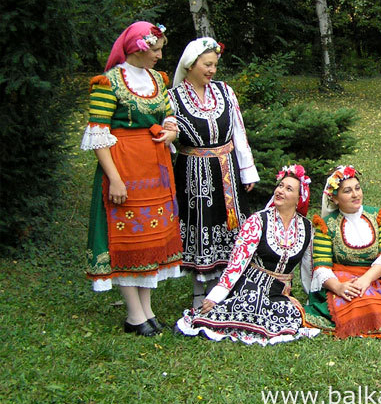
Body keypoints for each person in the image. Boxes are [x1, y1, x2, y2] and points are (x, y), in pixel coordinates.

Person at [80, 21, 182, 336]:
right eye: (156, 49)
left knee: (151, 238)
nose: (160, 56)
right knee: (127, 237)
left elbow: (168, 115)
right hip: (124, 167)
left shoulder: (157, 80)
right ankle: (134, 315)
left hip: (155, 169)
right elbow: (98, 134)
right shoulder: (108, 82)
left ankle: (147, 310)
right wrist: (115, 179)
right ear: (139, 47)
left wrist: (170, 130)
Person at [175, 164, 320, 344]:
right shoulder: (258, 221)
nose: (280, 191)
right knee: (251, 304)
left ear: (299, 199)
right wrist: (215, 296)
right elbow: (237, 263)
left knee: (288, 313)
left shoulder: (306, 228)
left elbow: (308, 269)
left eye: (288, 189)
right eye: (280, 186)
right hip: (251, 284)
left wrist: (313, 299)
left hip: (279, 291)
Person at [169, 37, 259, 309]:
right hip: (193, 174)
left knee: (229, 226)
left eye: (215, 65)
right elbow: (169, 138)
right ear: (190, 65)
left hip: (227, 171)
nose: (212, 70)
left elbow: (238, 131)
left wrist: (247, 171)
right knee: (200, 227)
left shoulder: (224, 92)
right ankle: (199, 291)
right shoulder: (172, 98)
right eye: (207, 64)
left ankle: (225, 286)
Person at [304, 165, 381, 338]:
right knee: (361, 304)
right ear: (334, 198)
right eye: (347, 191)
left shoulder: (379, 215)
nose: (355, 195)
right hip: (343, 280)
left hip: (376, 277)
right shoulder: (326, 225)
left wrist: (366, 280)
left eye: (357, 188)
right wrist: (339, 288)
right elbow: (321, 266)